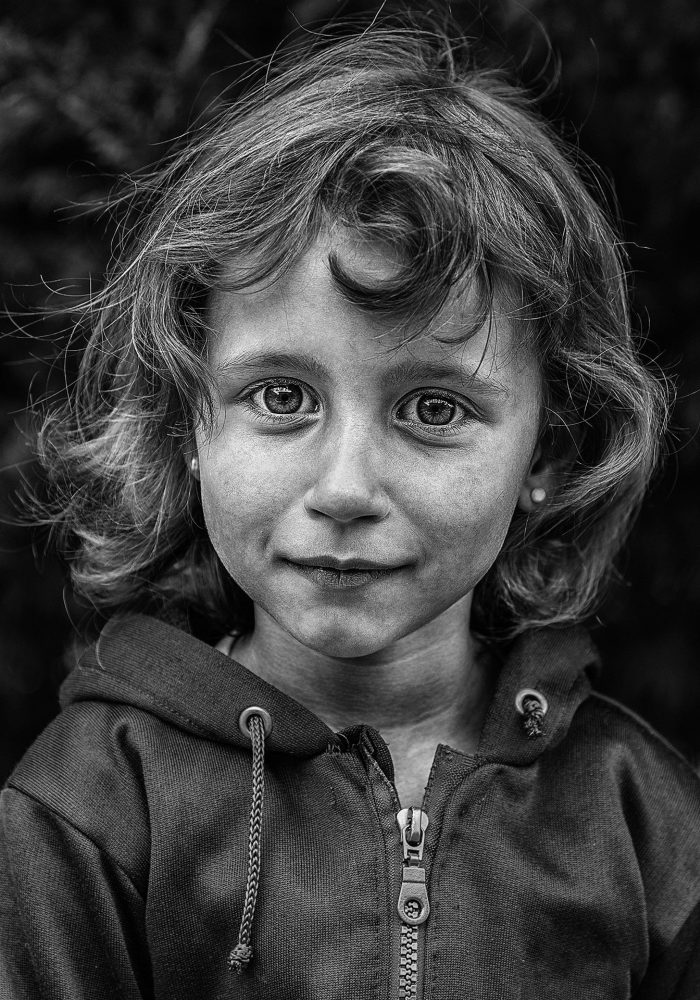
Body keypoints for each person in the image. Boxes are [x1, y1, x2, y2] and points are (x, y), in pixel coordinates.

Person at [1, 16, 698, 999]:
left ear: (547, 452)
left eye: (432, 409)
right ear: (190, 419)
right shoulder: (90, 811)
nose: (343, 489)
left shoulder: (644, 826)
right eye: (282, 396)